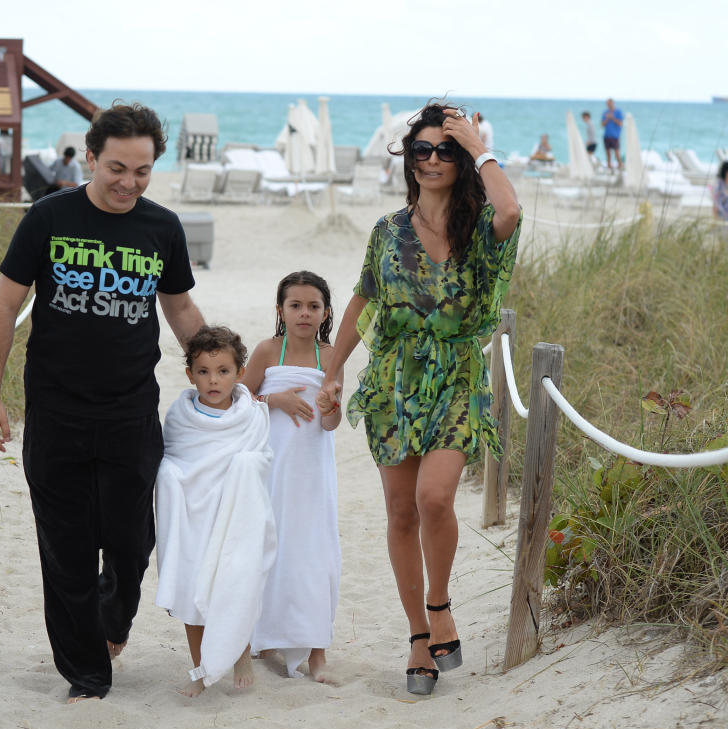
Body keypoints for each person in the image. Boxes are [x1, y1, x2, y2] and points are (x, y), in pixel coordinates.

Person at [0, 102, 205, 703]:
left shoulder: (161, 228)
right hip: (56, 412)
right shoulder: (48, 218)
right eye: (117, 169)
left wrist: (218, 374)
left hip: (131, 411)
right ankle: (86, 674)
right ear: (90, 157)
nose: (130, 182)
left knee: (132, 543)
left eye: (143, 170)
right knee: (67, 547)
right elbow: (5, 306)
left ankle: (114, 618)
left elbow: (179, 308)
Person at [316, 102, 521, 696]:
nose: (432, 159)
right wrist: (333, 371)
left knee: (435, 499)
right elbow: (362, 300)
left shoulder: (480, 228)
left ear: (462, 161)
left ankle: (438, 605)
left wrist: (478, 143)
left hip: (455, 377)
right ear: (408, 159)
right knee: (401, 511)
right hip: (393, 384)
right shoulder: (388, 230)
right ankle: (416, 639)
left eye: (445, 150)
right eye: (422, 150)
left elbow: (510, 208)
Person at [154, 325, 276, 697]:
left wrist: (243, 468)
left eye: (223, 371)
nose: (213, 380)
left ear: (240, 373)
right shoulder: (179, 416)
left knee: (233, 583)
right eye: (203, 372)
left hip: (234, 514)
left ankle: (239, 652)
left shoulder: (252, 415)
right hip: (192, 518)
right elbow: (173, 460)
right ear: (190, 374)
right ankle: (202, 670)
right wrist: (171, 478)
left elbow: (262, 459)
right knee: (192, 592)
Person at [243, 271, 342, 683]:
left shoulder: (330, 355)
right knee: (270, 548)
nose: (304, 313)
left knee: (315, 554)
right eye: (295, 305)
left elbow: (334, 422)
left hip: (313, 470)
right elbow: (238, 399)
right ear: (281, 310)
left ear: (325, 312)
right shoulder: (268, 350)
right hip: (272, 465)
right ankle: (265, 639)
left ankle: (316, 653)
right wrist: (274, 399)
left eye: (313, 306)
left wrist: (329, 405)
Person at [601, 98, 624, 170]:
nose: (609, 105)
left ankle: (620, 165)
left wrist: (612, 118)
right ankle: (609, 166)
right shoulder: (605, 112)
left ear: (613, 103)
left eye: (610, 103)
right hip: (607, 135)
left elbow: (620, 123)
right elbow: (602, 124)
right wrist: (607, 118)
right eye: (607, 104)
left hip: (615, 135)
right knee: (608, 152)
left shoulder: (618, 112)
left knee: (617, 152)